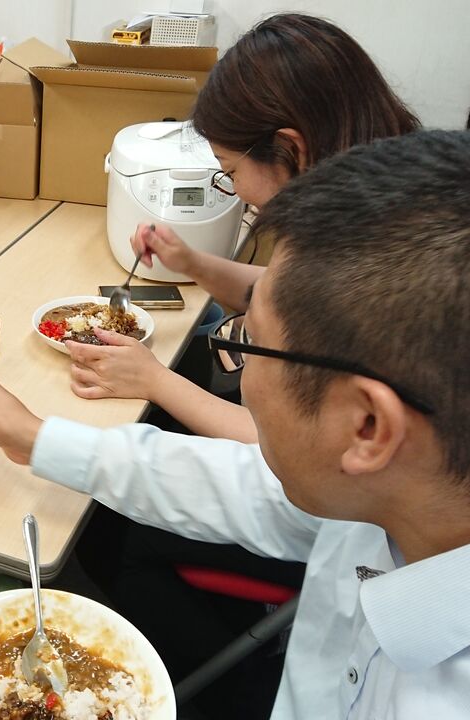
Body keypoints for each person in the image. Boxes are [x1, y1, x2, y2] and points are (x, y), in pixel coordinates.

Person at [0, 130, 470, 718]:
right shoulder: (426, 489)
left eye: (253, 343)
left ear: (368, 426)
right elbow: (242, 484)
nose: (242, 372)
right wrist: (37, 439)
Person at [68, 13, 419, 443]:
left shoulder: (374, 275)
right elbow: (284, 291)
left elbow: (289, 448)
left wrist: (155, 381)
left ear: (289, 148)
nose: (236, 190)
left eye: (230, 171)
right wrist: (191, 262)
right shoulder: (371, 209)